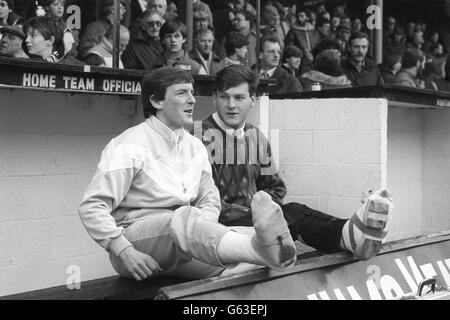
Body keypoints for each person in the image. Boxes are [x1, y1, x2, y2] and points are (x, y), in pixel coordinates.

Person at [78, 67, 298, 282]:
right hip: (136, 247)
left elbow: (210, 200)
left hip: (185, 244)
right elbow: (92, 206)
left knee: (253, 252)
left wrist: (202, 231)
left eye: (192, 92)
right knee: (185, 220)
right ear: (156, 101)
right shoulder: (128, 144)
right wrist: (123, 249)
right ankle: (254, 249)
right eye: (182, 92)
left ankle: (253, 254)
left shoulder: (194, 145)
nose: (192, 100)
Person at [197, 64, 394, 261]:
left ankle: (350, 237)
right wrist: (256, 213)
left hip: (257, 222)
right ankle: (349, 234)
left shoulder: (255, 136)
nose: (231, 105)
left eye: (239, 97)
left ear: (253, 100)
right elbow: (202, 201)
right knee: (293, 214)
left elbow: (275, 187)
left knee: (291, 213)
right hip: (220, 227)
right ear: (214, 98)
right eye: (224, 97)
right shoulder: (199, 138)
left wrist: (267, 212)